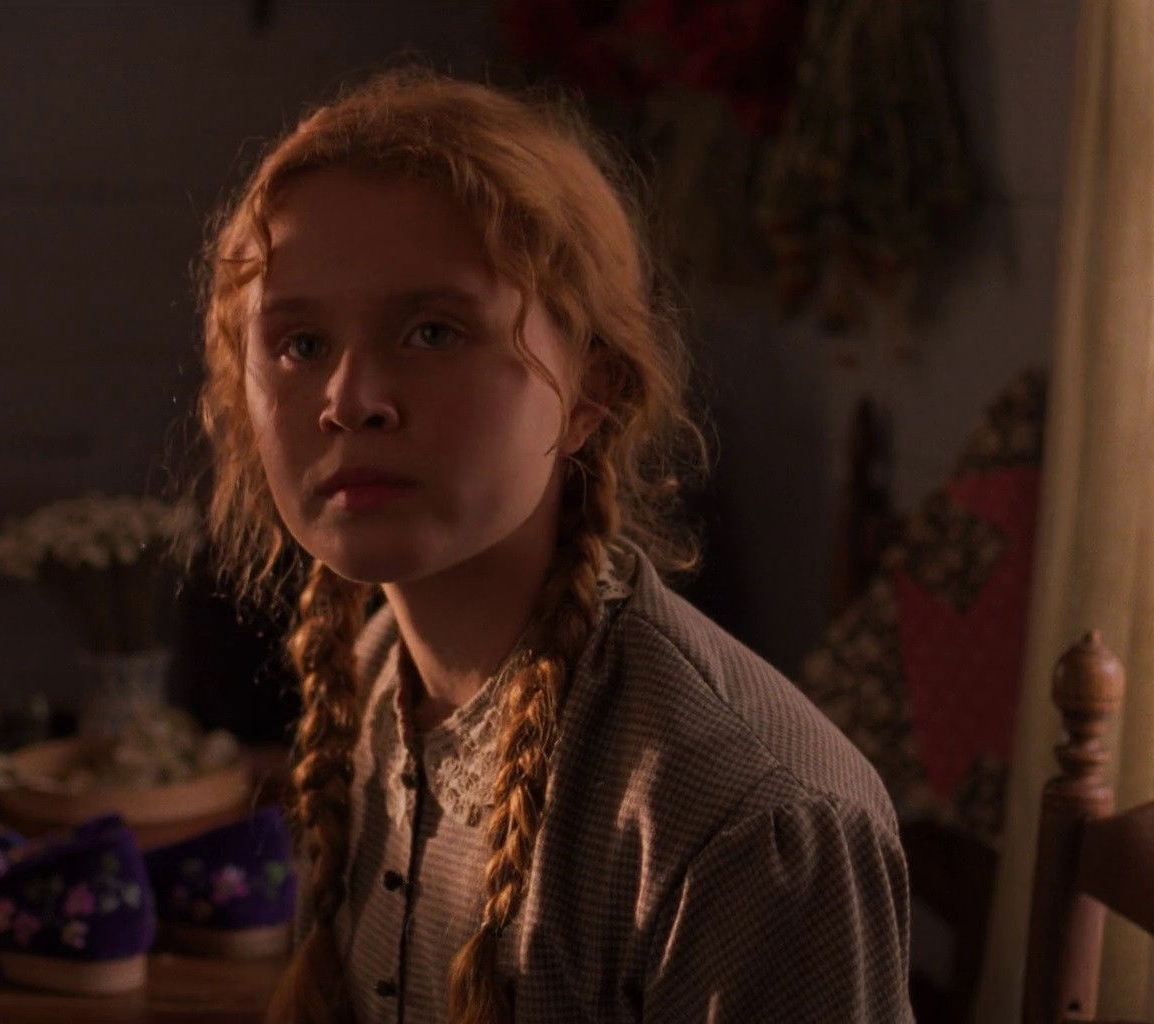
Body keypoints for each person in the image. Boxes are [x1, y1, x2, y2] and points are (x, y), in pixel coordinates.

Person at [196, 69, 910, 1024]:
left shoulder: (744, 814)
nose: (351, 399)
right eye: (299, 345)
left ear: (589, 394)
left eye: (433, 331)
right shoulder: (375, 677)